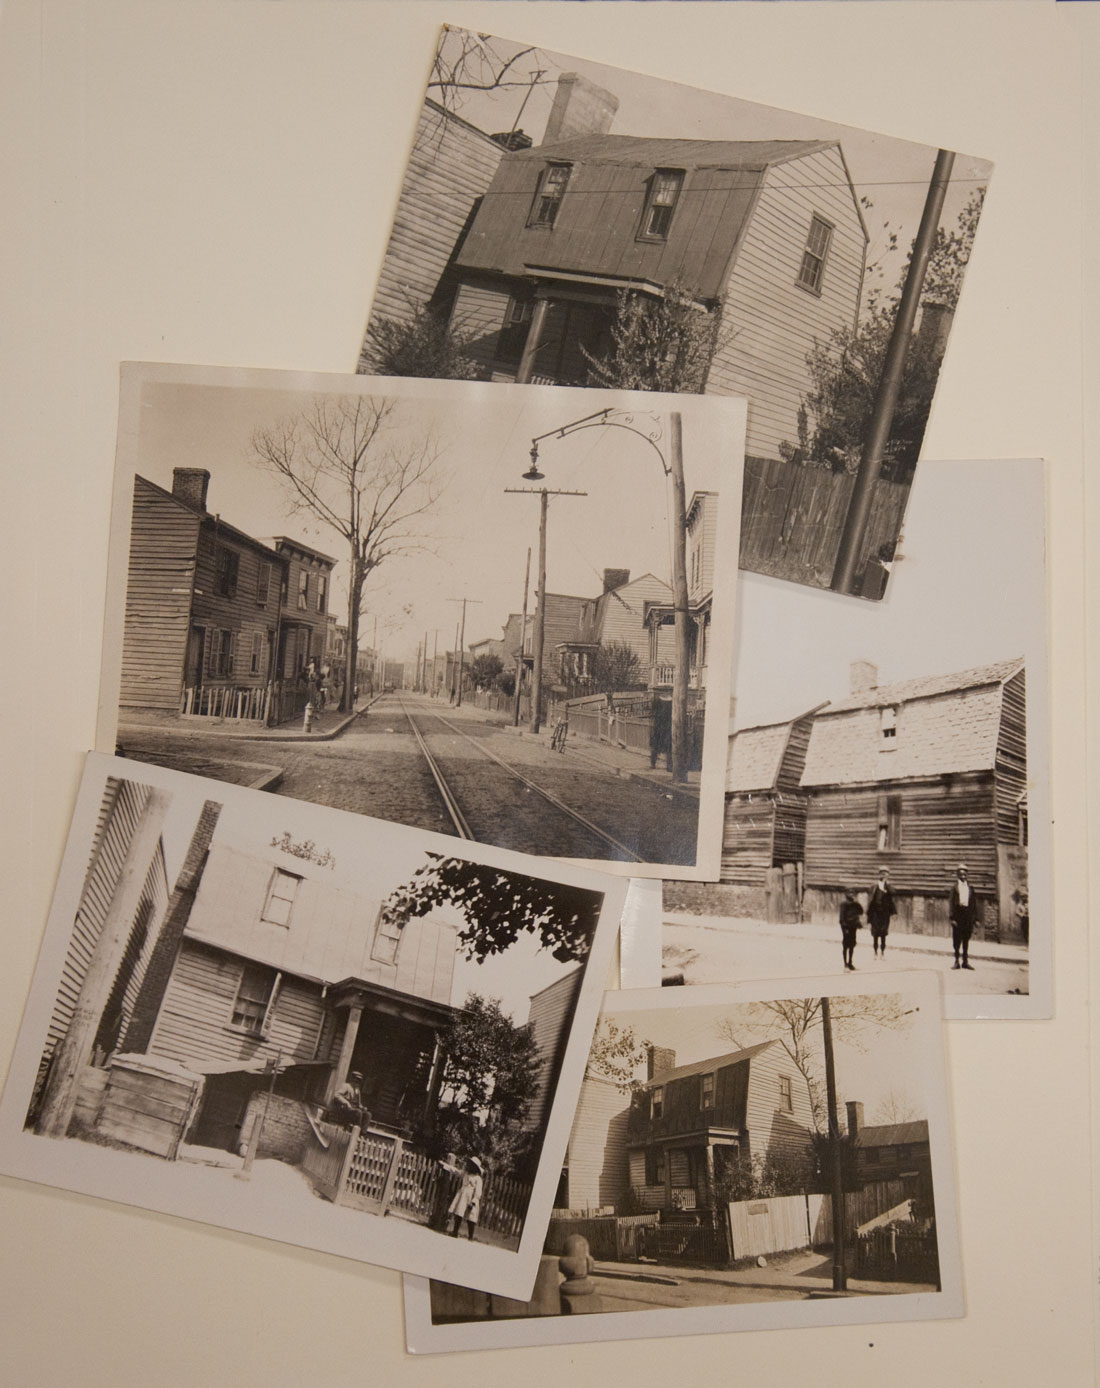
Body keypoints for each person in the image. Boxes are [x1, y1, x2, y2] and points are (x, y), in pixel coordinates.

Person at [949, 864, 979, 970]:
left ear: (967, 875)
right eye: (961, 874)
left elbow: (974, 904)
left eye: (965, 873)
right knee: (957, 940)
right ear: (958, 875)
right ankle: (956, 961)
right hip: (958, 915)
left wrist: (976, 919)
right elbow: (951, 903)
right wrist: (952, 918)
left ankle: (965, 962)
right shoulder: (955, 888)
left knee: (966, 939)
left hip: (968, 916)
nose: (963, 876)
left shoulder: (970, 888)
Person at [447, 1156, 484, 1240]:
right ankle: (455, 1232)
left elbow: (478, 1192)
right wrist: (448, 1167)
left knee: (470, 1217)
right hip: (462, 1195)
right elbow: (457, 1172)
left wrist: (474, 1201)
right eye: (469, 1164)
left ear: (475, 1168)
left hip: (471, 1198)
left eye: (471, 1165)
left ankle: (470, 1236)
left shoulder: (478, 1179)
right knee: (459, 1213)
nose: (468, 1166)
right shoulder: (465, 1173)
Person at [867, 869, 897, 956]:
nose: (883, 876)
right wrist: (869, 917)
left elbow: (893, 893)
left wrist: (886, 885)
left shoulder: (888, 887)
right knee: (875, 934)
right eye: (882, 875)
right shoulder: (874, 887)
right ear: (879, 875)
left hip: (884, 915)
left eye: (885, 875)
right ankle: (875, 952)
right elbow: (871, 901)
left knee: (883, 934)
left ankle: (882, 952)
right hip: (875, 914)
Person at [839, 888, 863, 971]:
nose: (851, 895)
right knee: (846, 945)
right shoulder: (844, 904)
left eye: (853, 894)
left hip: (853, 926)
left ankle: (850, 963)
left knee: (852, 944)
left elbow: (861, 911)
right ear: (846, 895)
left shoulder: (855, 904)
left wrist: (857, 903)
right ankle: (845, 964)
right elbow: (841, 918)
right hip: (846, 927)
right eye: (850, 894)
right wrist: (844, 928)